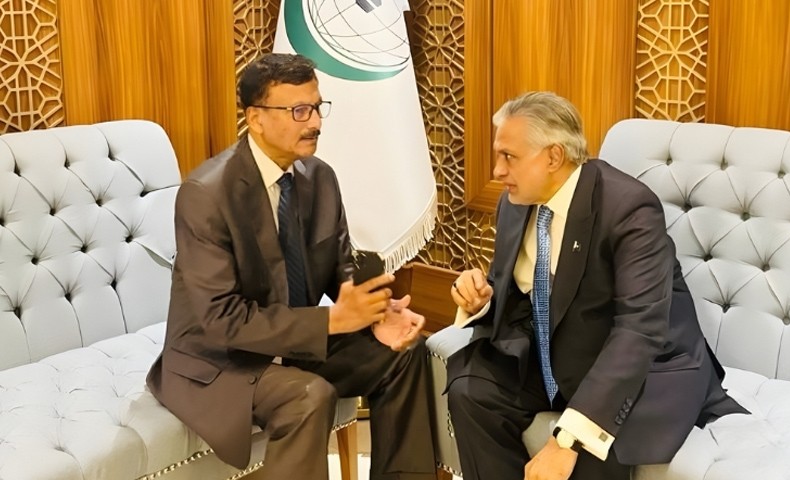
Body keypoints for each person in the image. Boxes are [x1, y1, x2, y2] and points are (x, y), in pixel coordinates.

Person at [146, 53, 436, 480]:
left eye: (317, 107)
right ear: (256, 118)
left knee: (405, 353)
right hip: (220, 361)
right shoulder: (206, 195)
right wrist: (331, 322)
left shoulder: (320, 177)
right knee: (308, 396)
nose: (315, 122)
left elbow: (341, 265)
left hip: (295, 340)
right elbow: (222, 320)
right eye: (299, 111)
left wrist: (375, 311)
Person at [447, 91, 747, 480]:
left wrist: (566, 440)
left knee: (590, 458)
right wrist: (481, 300)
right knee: (471, 390)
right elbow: (521, 293)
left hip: (642, 370)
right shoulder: (514, 203)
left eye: (509, 157)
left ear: (553, 157)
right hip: (561, 356)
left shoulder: (628, 208)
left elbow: (640, 329)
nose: (498, 170)